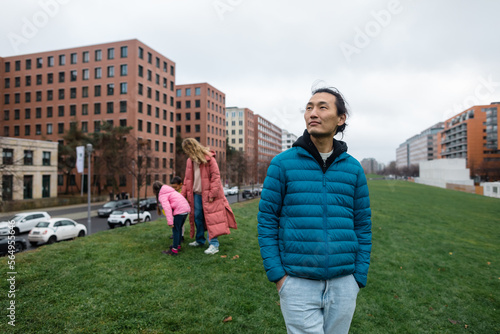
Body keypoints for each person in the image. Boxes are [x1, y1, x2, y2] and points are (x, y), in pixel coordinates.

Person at [257, 87, 372, 334]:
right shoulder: (282, 164)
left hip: (344, 283)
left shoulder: (353, 169)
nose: (313, 113)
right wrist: (279, 276)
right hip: (296, 282)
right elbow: (267, 220)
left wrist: (358, 276)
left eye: (322, 107)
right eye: (309, 107)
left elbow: (363, 224)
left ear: (341, 119)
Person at [181, 138, 238, 255]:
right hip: (196, 194)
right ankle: (200, 240)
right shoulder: (189, 161)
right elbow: (187, 180)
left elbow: (216, 177)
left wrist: (212, 193)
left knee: (212, 219)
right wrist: (182, 195)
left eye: (187, 150)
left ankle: (214, 245)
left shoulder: (209, 159)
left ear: (191, 148)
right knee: (197, 217)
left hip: (210, 195)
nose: (186, 153)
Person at [153, 181, 191, 256]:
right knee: (179, 228)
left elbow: (167, 209)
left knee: (176, 230)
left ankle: (174, 251)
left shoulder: (162, 195)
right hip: (186, 209)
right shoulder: (170, 190)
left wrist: (170, 222)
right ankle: (178, 246)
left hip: (180, 211)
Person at [169, 176, 185, 242]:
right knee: (176, 223)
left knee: (181, 224)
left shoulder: (182, 192)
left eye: (175, 187)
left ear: (180, 184)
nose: (174, 189)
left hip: (181, 211)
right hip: (175, 210)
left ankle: (181, 236)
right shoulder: (174, 192)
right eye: (172, 187)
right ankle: (176, 235)